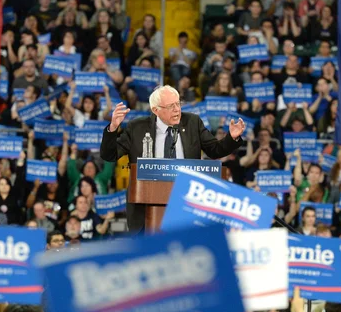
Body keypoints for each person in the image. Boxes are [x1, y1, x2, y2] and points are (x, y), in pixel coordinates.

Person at [100, 85, 246, 232]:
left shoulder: (192, 123)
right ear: (155, 110)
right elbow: (110, 155)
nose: (177, 109)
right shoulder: (137, 127)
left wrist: (232, 138)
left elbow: (215, 150)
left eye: (178, 103)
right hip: (145, 210)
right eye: (171, 106)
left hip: (186, 203)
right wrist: (112, 128)